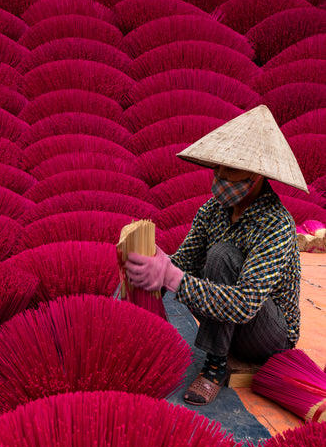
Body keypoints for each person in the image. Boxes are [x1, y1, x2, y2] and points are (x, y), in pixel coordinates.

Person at [125, 105, 308, 405]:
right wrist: (150, 266)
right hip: (230, 322)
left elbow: (245, 306)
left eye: (231, 170)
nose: (220, 177)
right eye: (217, 168)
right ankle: (217, 351)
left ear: (257, 176)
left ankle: (214, 367)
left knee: (221, 256)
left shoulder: (276, 224)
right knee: (198, 266)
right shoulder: (212, 211)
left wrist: (172, 277)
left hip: (269, 335)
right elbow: (183, 262)